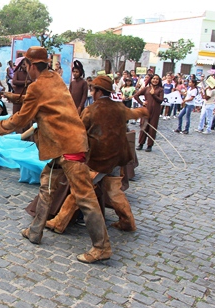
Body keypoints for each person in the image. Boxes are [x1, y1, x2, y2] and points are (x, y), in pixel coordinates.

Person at [0, 46, 110, 264]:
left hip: (68, 147)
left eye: (26, 66)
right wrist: (11, 96)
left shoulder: (37, 86)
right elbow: (40, 101)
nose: (26, 70)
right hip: (64, 145)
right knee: (47, 185)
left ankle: (102, 247)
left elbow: (20, 121)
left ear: (31, 66)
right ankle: (35, 231)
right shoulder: (55, 78)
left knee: (84, 196)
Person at [45, 76, 148, 234]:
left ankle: (59, 222)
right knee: (114, 192)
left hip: (100, 160)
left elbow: (79, 132)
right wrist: (144, 110)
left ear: (99, 91)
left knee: (79, 190)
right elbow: (134, 113)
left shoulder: (91, 110)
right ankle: (127, 222)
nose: (92, 93)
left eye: (93, 90)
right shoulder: (119, 107)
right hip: (118, 158)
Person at [134, 74, 164, 152]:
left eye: (157, 79)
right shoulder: (146, 89)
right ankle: (141, 144)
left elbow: (160, 100)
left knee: (152, 128)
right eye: (154, 78)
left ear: (159, 81)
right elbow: (136, 95)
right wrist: (142, 103)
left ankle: (149, 145)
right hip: (146, 110)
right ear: (151, 79)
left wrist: (153, 94)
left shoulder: (160, 89)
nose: (155, 80)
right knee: (144, 126)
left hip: (155, 111)